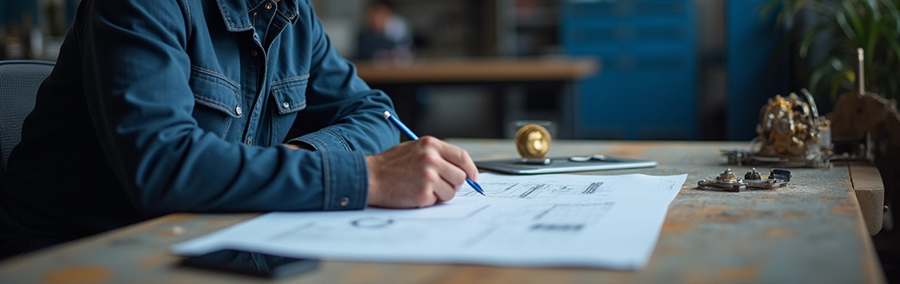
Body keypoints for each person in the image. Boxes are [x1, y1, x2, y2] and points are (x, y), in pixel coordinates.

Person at [0, 0, 478, 259]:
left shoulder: (292, 13)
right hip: (75, 252)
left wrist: (304, 159)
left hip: (210, 232)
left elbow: (376, 113)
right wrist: (366, 177)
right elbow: (165, 169)